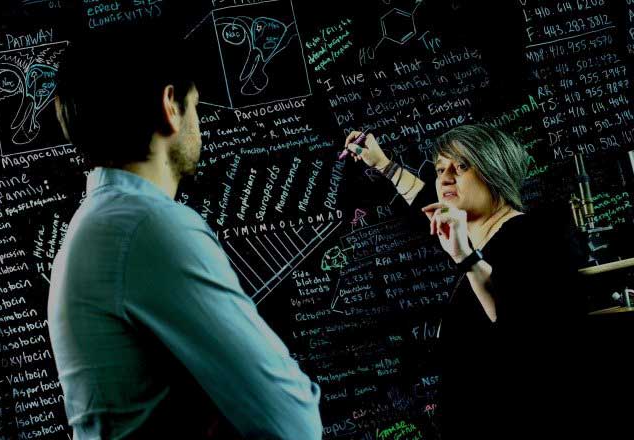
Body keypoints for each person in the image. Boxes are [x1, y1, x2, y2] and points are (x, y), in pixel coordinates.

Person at [48, 35, 322, 440]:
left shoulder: (95, 225)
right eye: (196, 106)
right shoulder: (148, 226)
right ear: (171, 105)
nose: (199, 123)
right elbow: (293, 423)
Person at [342, 124, 586, 439]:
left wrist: (467, 259)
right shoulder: (478, 242)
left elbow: (523, 328)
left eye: (462, 166)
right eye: (440, 168)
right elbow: (427, 199)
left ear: (494, 171)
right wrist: (383, 164)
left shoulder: (535, 235)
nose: (445, 176)